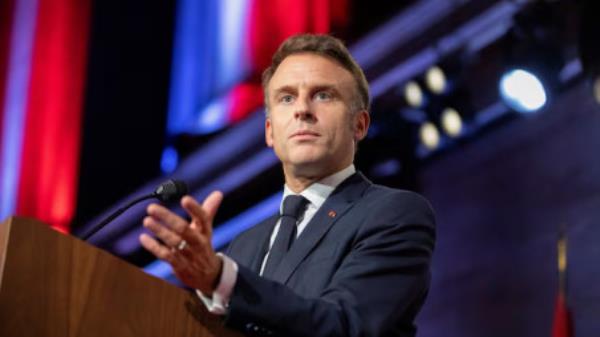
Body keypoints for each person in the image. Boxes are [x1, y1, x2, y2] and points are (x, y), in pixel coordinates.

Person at [139, 34, 436, 337]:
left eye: (323, 95)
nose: (302, 109)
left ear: (358, 125)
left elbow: (345, 326)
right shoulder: (245, 245)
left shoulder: (394, 214)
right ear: (270, 131)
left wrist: (222, 279)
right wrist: (207, 291)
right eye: (286, 98)